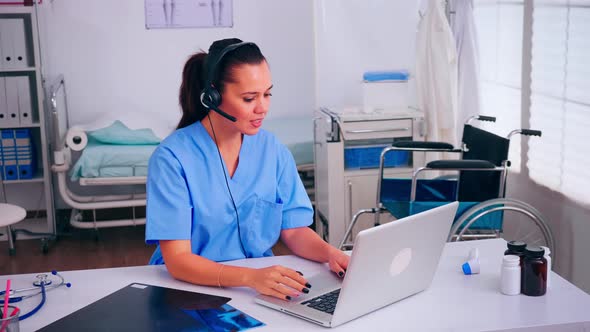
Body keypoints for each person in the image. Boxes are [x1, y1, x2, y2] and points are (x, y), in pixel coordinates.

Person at [145, 38, 350, 301]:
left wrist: (331, 254)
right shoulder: (172, 158)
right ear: (213, 96)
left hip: (258, 288)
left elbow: (294, 230)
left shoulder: (272, 150)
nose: (262, 107)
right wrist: (250, 278)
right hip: (189, 287)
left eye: (267, 94)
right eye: (249, 98)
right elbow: (178, 260)